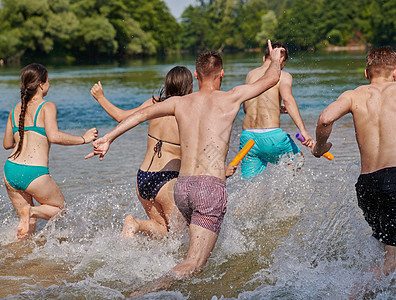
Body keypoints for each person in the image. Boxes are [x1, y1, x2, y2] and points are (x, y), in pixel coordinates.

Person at [86, 40, 284, 293]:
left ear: (196, 75)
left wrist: (109, 138)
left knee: (183, 246)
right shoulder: (232, 97)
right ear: (222, 73)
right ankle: (144, 292)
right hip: (208, 189)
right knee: (194, 263)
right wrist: (275, 59)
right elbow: (270, 80)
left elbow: (140, 115)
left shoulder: (180, 102)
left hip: (182, 188)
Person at [313, 46, 396, 295]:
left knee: (385, 244)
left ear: (367, 73)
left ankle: (376, 290)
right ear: (395, 72)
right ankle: (352, 293)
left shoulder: (353, 95)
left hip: (365, 185)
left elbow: (324, 118)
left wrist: (320, 147)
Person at [90, 66, 193, 238]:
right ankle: (135, 224)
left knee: (162, 231)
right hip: (167, 179)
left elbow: (121, 117)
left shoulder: (153, 103)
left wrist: (100, 98)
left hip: (143, 178)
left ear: (167, 85)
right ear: (189, 87)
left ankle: (135, 224)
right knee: (178, 238)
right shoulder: (187, 110)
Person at [3, 63, 98, 239]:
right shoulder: (47, 106)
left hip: (11, 170)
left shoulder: (15, 109)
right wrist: (83, 139)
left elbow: (7, 143)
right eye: (48, 81)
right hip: (34, 172)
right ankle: (32, 212)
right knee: (60, 210)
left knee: (27, 228)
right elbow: (54, 136)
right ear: (41, 85)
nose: (49, 85)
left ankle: (19, 259)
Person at [240, 42, 314, 178]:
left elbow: (247, 108)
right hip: (271, 136)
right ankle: (281, 195)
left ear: (264, 58)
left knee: (248, 186)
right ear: (281, 60)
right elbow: (288, 99)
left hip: (248, 138)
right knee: (298, 159)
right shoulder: (283, 75)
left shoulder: (250, 75)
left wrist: (274, 109)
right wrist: (304, 131)